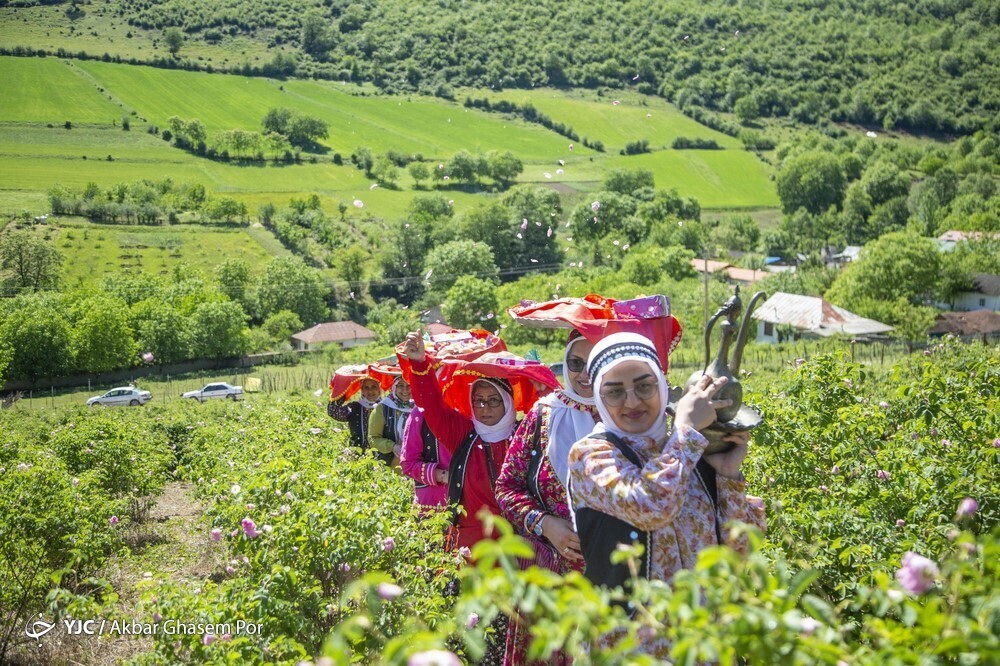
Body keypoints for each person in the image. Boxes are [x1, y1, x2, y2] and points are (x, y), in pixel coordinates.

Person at [568, 332, 766, 656]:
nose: (632, 402)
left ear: (661, 384)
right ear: (599, 398)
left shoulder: (689, 451)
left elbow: (739, 554)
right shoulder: (591, 455)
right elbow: (651, 507)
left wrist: (729, 474)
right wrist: (686, 432)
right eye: (615, 392)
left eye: (644, 386)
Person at [401, 331, 552, 666]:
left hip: (521, 556)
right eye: (478, 401)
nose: (484, 408)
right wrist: (419, 364)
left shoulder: (527, 436)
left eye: (493, 400)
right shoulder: (463, 436)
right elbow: (433, 407)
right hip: (472, 554)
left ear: (509, 401)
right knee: (477, 638)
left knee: (520, 639)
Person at [495, 331, 598, 665]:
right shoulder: (543, 414)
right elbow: (506, 487)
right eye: (575, 363)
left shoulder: (629, 417)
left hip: (609, 577)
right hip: (546, 572)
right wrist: (545, 524)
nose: (584, 374)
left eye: (594, 363)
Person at [400, 406, 452, 509]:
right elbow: (409, 464)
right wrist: (443, 476)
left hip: (469, 505)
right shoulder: (420, 413)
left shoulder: (470, 409)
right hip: (432, 506)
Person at [327, 376, 382, 453]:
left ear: (379, 389)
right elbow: (334, 412)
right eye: (366, 387)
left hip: (382, 457)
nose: (370, 391)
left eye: (374, 387)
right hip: (357, 455)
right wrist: (340, 388)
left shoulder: (386, 407)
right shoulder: (355, 407)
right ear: (362, 390)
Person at [369, 376, 414, 466]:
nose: (405, 390)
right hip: (389, 467)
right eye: (400, 385)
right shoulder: (383, 408)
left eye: (409, 385)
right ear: (394, 387)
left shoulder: (418, 407)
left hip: (414, 466)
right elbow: (373, 438)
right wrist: (393, 446)